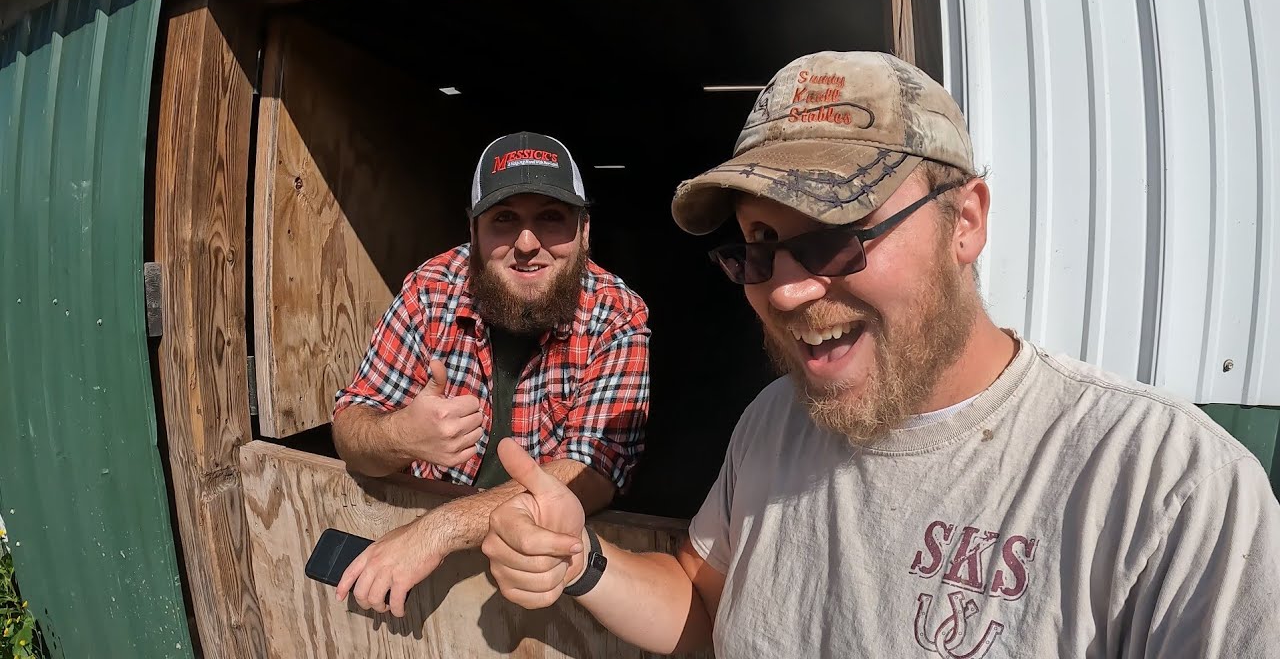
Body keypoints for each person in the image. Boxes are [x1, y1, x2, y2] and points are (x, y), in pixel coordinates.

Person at [480, 52, 1280, 657]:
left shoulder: (1164, 486)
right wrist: (580, 561)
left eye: (833, 233)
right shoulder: (773, 423)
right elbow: (704, 605)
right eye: (759, 244)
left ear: (965, 221)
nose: (786, 290)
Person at [330, 131, 651, 618]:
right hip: (410, 569)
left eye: (550, 217)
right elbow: (349, 430)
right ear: (474, 230)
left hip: (534, 575)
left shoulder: (617, 316)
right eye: (505, 219)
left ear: (585, 232)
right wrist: (398, 435)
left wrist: (437, 532)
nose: (527, 244)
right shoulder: (430, 292)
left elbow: (594, 471)